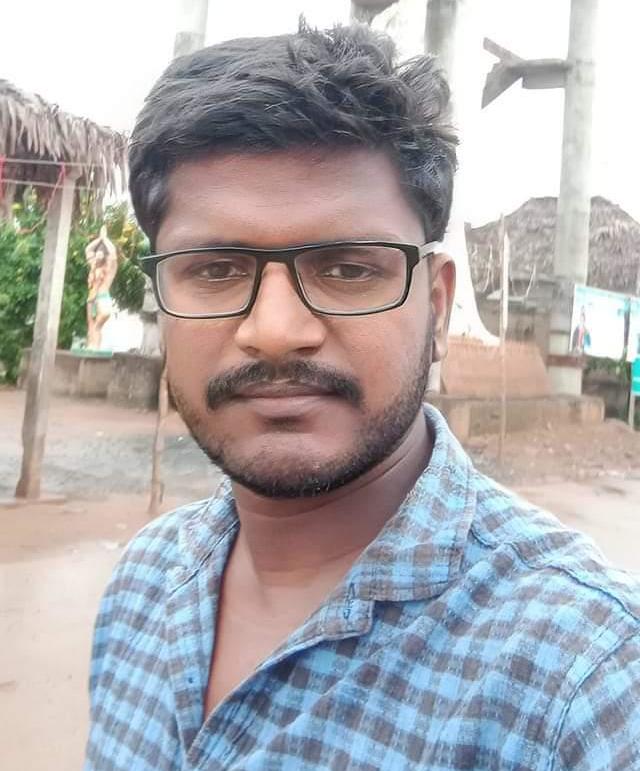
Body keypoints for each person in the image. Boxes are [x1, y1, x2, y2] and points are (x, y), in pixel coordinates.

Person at [85, 23, 640, 770]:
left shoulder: (587, 683)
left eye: (347, 269)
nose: (275, 332)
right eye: (214, 270)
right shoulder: (143, 584)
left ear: (436, 306)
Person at [85, 225, 118, 350]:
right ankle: (92, 346)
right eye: (96, 254)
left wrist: (105, 239)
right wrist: (99, 239)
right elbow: (88, 249)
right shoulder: (93, 265)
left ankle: (95, 345)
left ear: (104, 256)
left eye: (100, 255)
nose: (97, 257)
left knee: (102, 318)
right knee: (91, 325)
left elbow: (113, 253)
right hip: (92, 298)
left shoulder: (109, 269)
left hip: (103, 296)